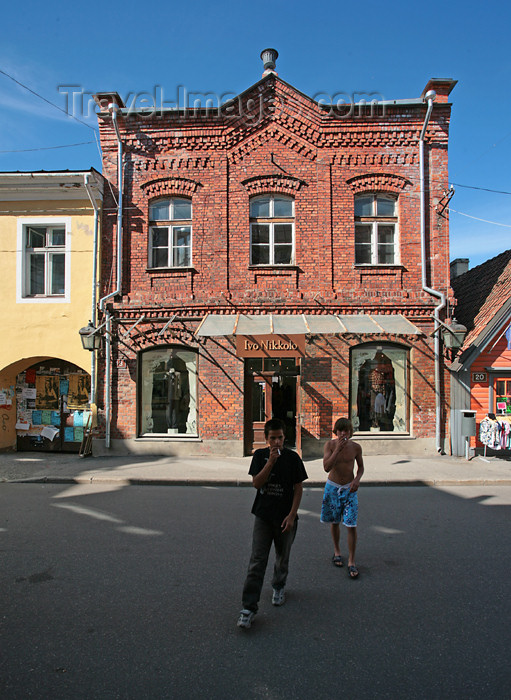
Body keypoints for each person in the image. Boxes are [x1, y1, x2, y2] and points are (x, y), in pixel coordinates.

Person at [237, 418, 308, 629]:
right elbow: (257, 483)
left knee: (282, 555)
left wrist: (293, 515)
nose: (277, 442)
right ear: (266, 439)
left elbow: (298, 487)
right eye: (273, 438)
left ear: (285, 437)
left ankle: (278, 585)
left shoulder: (293, 458)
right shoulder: (260, 456)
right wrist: (270, 462)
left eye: (280, 438)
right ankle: (248, 608)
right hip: (263, 516)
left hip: (286, 517)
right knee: (257, 561)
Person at [321, 417, 364, 579]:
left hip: (349, 489)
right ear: (336, 432)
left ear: (350, 432)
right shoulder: (330, 445)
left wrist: (357, 480)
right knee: (334, 522)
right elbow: (326, 467)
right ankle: (337, 551)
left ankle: (352, 561)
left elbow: (360, 468)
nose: (343, 433)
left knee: (351, 524)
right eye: (340, 431)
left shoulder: (356, 448)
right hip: (333, 487)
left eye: (346, 430)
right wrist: (337, 449)